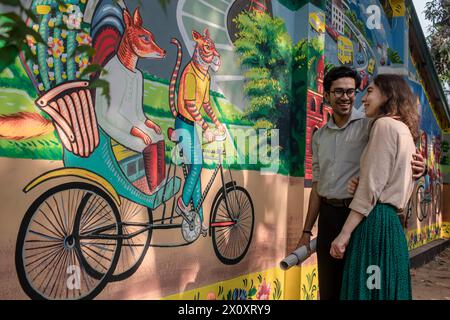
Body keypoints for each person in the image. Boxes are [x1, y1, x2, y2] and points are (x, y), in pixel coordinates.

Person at [296, 66, 425, 300]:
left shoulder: (373, 124)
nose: (347, 97)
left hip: (357, 215)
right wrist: (307, 230)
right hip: (328, 215)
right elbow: (317, 186)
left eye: (351, 92)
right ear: (326, 95)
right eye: (339, 92)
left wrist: (419, 167)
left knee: (362, 287)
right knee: (331, 287)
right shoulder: (319, 136)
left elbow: (390, 162)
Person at [330, 74, 419, 300]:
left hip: (375, 227)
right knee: (382, 289)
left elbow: (370, 188)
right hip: (391, 227)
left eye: (369, 91)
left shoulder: (383, 125)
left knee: (370, 289)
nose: (363, 99)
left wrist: (344, 233)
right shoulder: (404, 130)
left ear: (388, 94)